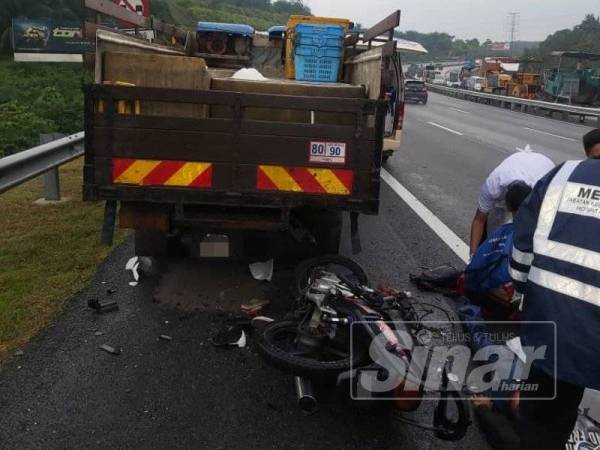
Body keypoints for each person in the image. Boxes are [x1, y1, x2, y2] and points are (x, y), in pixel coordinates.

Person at [510, 128, 600, 450]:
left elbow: (522, 244)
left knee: (544, 409)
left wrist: (522, 288)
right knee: (558, 408)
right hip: (592, 331)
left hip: (548, 315)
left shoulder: (562, 174)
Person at [469, 148, 555, 256]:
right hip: (516, 166)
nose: (515, 218)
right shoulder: (492, 186)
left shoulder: (545, 191)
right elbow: (479, 220)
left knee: (534, 233)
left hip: (542, 165)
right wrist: (473, 256)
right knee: (494, 234)